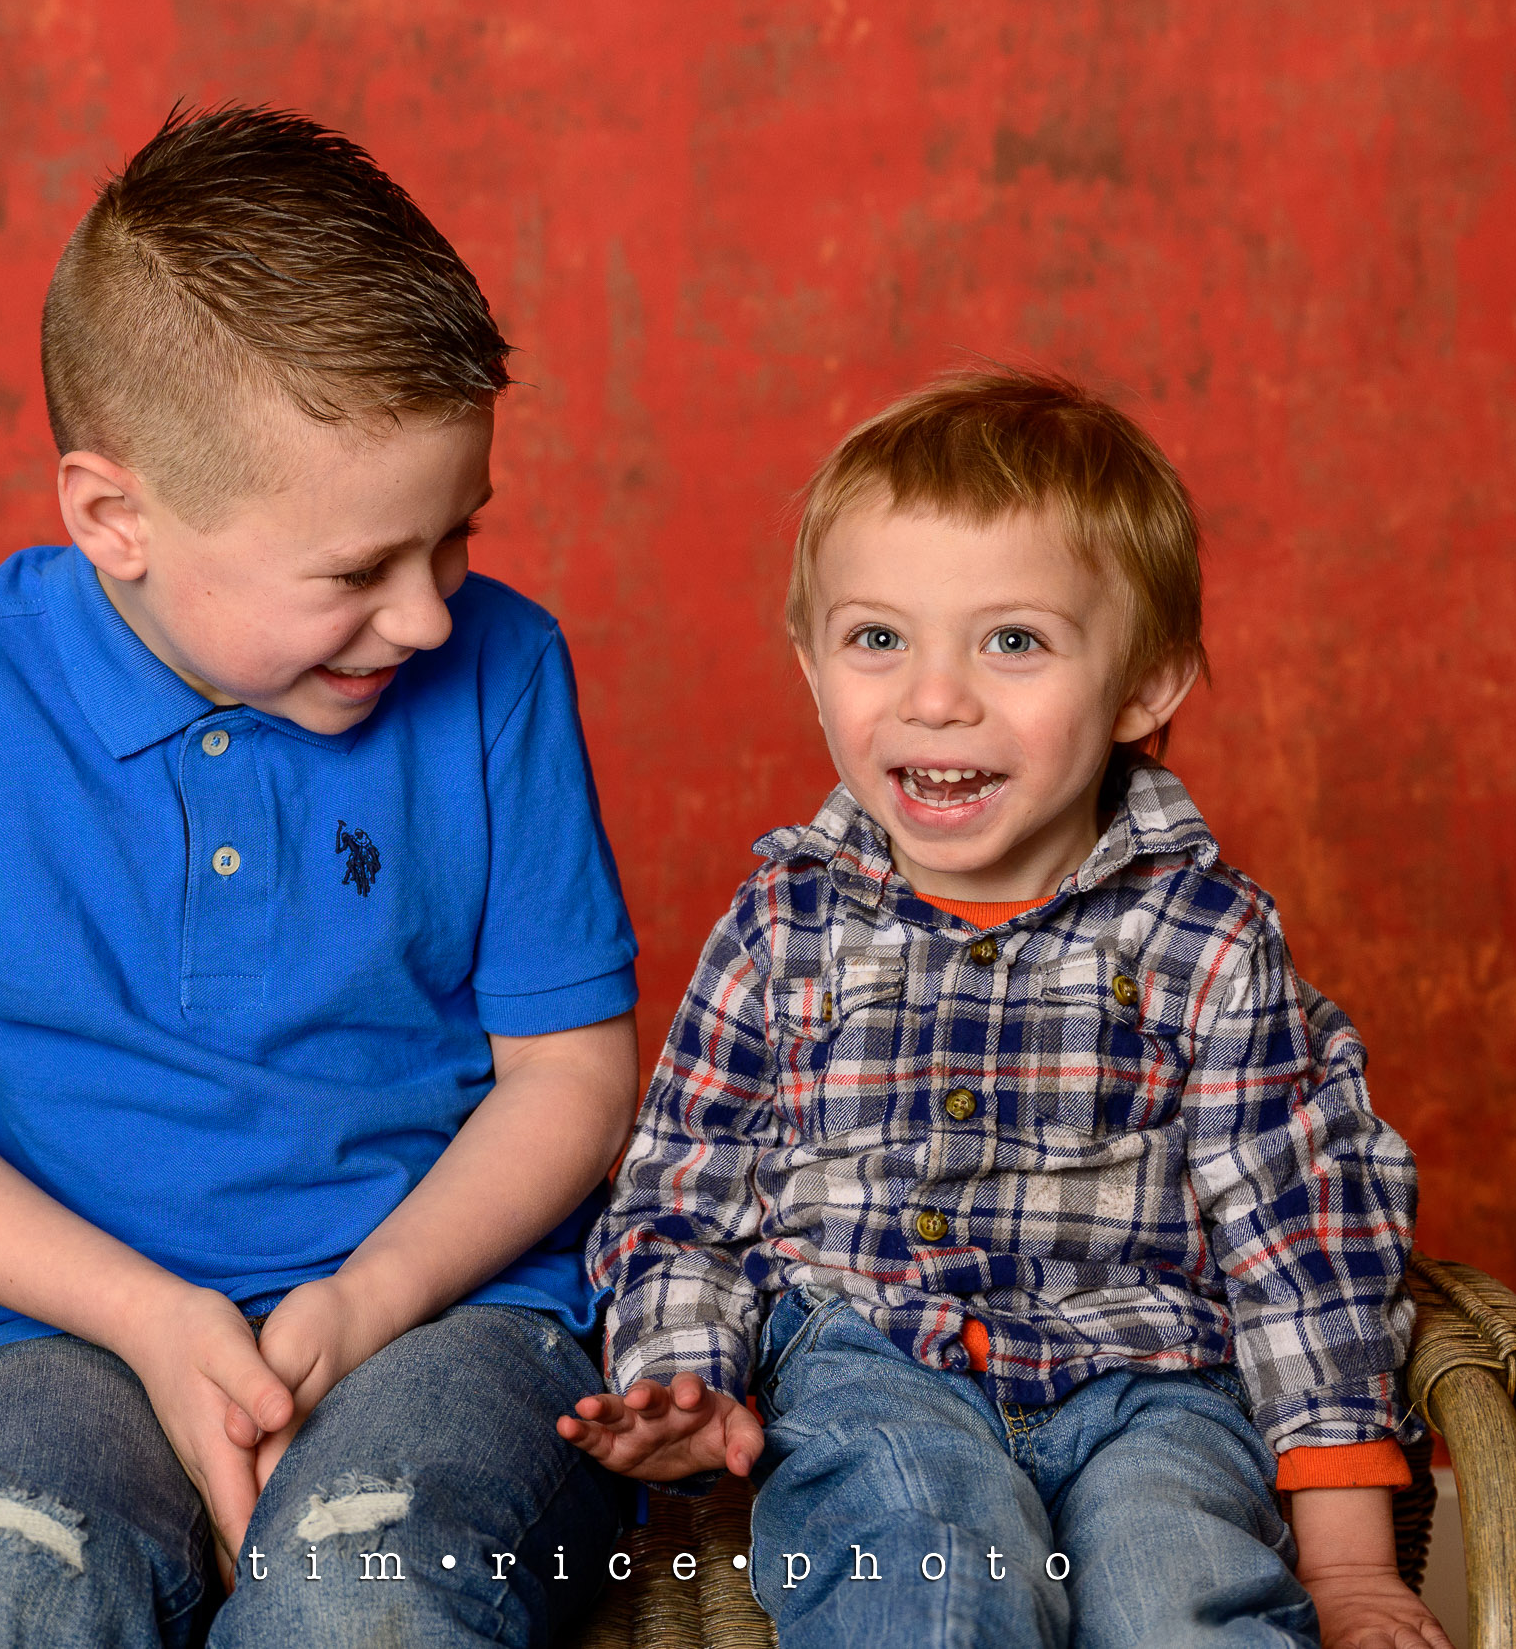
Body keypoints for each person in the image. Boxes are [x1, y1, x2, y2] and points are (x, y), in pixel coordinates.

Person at [0, 103, 641, 1648]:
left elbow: (570, 1073)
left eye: (454, 539)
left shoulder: (502, 668)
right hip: (73, 1331)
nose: (428, 616)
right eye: (356, 571)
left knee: (359, 1598)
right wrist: (149, 1314)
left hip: (454, 1315)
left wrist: (367, 1298)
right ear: (115, 516)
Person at [562, 371, 1450, 1649]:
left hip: (1152, 1386)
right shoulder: (782, 925)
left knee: (1180, 1590)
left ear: (1144, 686)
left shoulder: (1206, 940)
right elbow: (681, 1194)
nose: (935, 697)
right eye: (879, 639)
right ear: (810, 665)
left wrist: (1351, 1563)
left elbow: (1299, 1241)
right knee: (929, 1573)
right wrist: (681, 1374)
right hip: (871, 1369)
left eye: (1013, 641)